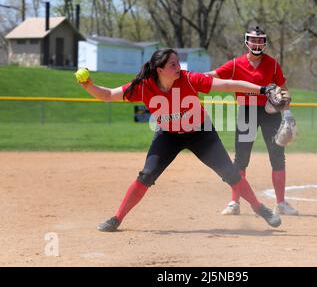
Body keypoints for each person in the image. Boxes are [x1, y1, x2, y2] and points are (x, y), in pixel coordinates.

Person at [74, 48, 282, 232]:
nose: (178, 67)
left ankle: (259, 208)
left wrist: (262, 89)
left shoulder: (189, 78)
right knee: (146, 174)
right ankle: (116, 218)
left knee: (230, 173)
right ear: (160, 69)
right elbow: (108, 95)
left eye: (178, 62)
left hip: (201, 133)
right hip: (168, 135)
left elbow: (227, 84)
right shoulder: (144, 86)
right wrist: (87, 84)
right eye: (173, 64)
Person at [205, 26, 299, 216]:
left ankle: (280, 203)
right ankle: (234, 203)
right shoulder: (235, 63)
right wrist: (191, 78)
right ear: (247, 41)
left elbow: (283, 87)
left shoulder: (272, 64)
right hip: (246, 111)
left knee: (277, 156)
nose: (257, 44)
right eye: (253, 40)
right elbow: (214, 75)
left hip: (270, 112)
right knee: (241, 159)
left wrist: (287, 113)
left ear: (264, 43)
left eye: (260, 40)